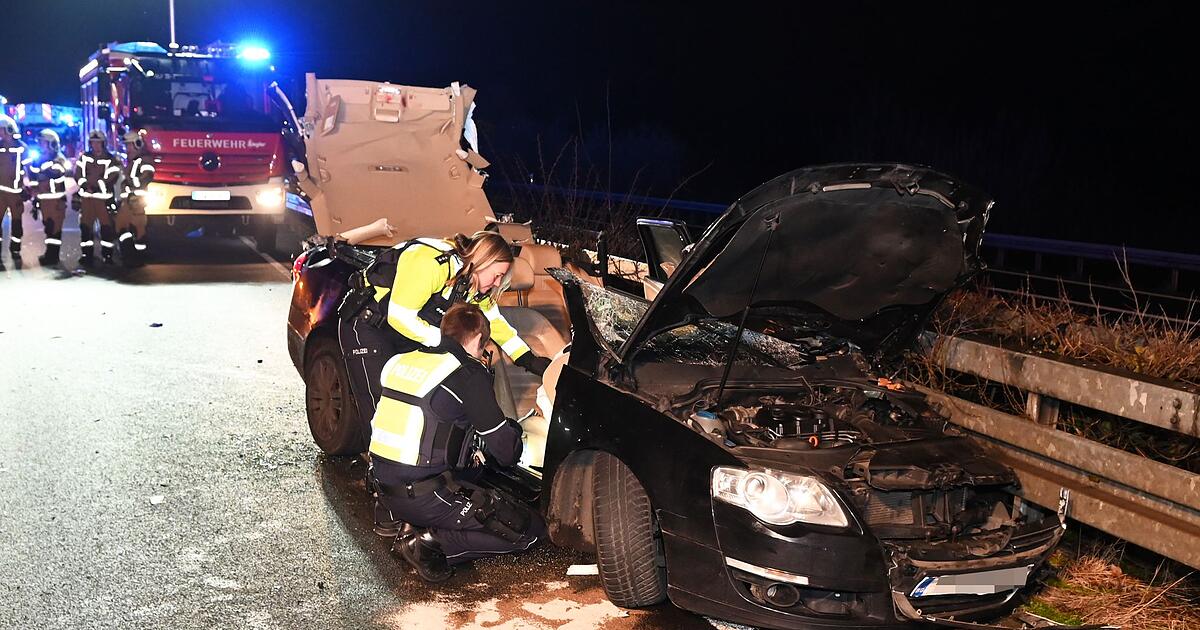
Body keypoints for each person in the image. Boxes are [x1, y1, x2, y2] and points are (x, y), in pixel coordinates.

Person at [368, 303, 545, 582]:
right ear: (477, 340)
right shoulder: (467, 375)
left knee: (471, 473)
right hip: (423, 495)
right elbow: (505, 451)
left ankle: (396, 519)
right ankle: (429, 544)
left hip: (382, 486)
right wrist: (514, 431)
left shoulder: (401, 360)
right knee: (527, 530)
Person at [338, 230, 552, 432]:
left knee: (415, 403)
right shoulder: (431, 263)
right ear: (483, 261)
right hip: (369, 326)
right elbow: (400, 315)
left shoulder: (472, 280)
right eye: (496, 276)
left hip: (406, 334)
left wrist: (527, 358)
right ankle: (380, 466)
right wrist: (448, 345)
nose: (496, 283)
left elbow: (494, 321)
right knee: (383, 406)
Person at [73, 130, 122, 266]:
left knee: (106, 228)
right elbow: (78, 173)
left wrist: (97, 186)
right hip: (87, 199)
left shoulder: (110, 159)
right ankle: (87, 255)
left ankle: (107, 255)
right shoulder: (84, 157)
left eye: (98, 143)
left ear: (103, 143)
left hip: (103, 199)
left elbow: (112, 176)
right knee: (85, 227)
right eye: (93, 143)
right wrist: (84, 185)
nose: (96, 146)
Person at [28, 130, 71, 267]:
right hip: (44, 200)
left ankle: (53, 256)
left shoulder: (59, 159)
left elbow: (57, 171)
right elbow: (34, 178)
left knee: (55, 228)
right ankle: (49, 253)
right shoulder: (38, 161)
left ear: (51, 144)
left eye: (43, 143)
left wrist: (43, 168)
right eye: (40, 142)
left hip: (56, 201)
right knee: (48, 227)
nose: (40, 145)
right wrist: (35, 197)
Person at [115, 130, 156, 265]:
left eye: (129, 146)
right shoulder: (133, 161)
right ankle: (130, 255)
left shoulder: (145, 160)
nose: (127, 149)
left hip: (137, 202)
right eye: (126, 146)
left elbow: (145, 178)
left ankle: (137, 257)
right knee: (123, 226)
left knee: (137, 229)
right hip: (129, 201)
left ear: (137, 144)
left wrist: (127, 178)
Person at [0, 115, 27, 265]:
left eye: (2, 130)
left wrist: (30, 187)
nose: (0, 133)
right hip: (0, 192)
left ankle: (15, 249)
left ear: (9, 130)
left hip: (16, 192)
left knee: (17, 222)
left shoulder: (22, 148)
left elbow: (30, 169)